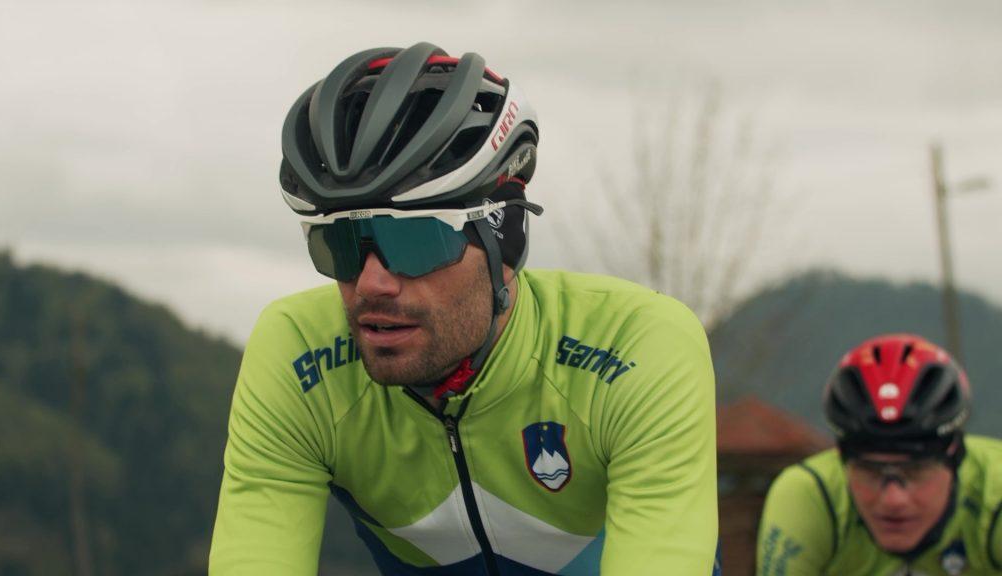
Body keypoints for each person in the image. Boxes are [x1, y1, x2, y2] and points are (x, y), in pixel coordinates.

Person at [209, 42, 718, 575]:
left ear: (505, 240)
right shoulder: (298, 351)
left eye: (415, 241)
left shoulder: (637, 346)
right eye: (340, 244)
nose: (371, 283)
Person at [757, 333, 1002, 575]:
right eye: (870, 471)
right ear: (842, 460)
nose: (893, 500)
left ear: (956, 457)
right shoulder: (811, 495)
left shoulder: (996, 493)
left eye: (915, 471)